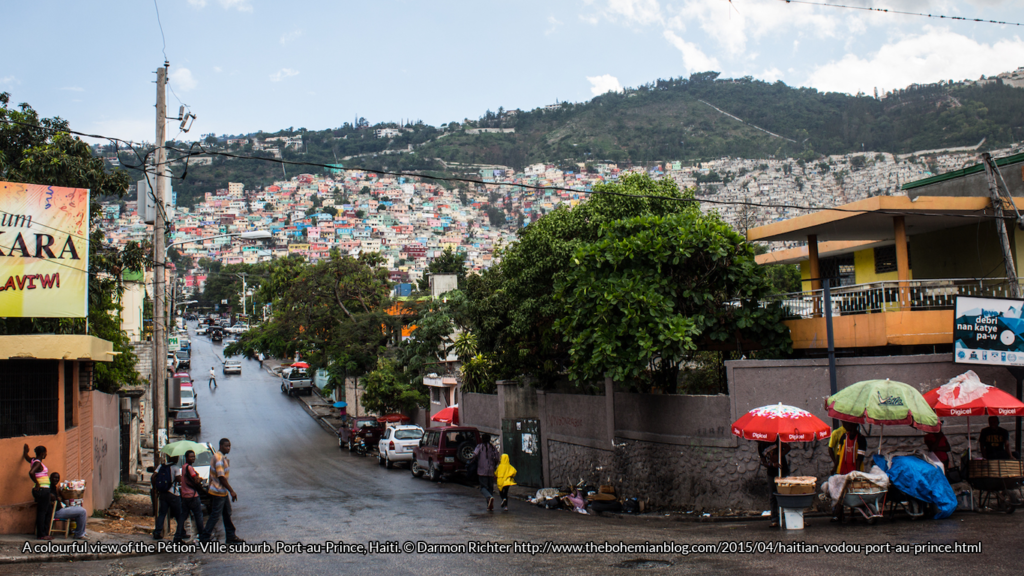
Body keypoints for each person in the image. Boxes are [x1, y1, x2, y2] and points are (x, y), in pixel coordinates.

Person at [199, 438, 244, 544]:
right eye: (226, 446)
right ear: (220, 446)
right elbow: (221, 477)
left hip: (221, 491)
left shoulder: (221, 457)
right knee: (215, 515)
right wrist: (231, 491)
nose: (228, 448)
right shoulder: (218, 458)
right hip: (218, 491)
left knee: (227, 513)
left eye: (229, 446)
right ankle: (205, 537)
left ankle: (230, 536)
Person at [23, 444, 53, 540]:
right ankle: (42, 535)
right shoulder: (38, 463)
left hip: (42, 490)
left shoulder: (33, 460)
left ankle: (43, 532)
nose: (46, 454)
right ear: (43, 453)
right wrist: (37, 483)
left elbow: (27, 457)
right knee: (42, 512)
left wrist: (25, 452)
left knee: (45, 511)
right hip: (42, 490)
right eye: (45, 453)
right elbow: (31, 472)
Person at [759, 441, 791, 528]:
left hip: (783, 471)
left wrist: (779, 456)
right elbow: (764, 462)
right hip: (771, 473)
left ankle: (790, 517)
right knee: (772, 496)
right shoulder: (761, 446)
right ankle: (774, 519)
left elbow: (788, 447)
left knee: (786, 494)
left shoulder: (776, 440)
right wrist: (772, 465)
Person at [153, 456, 185, 541]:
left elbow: (153, 476)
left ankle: (157, 532)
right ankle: (182, 532)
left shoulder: (161, 466)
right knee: (178, 514)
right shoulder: (175, 468)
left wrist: (156, 488)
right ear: (175, 459)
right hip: (173, 494)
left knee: (162, 513)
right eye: (177, 457)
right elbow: (179, 479)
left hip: (163, 494)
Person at [48, 473, 88, 540]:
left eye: (57, 478)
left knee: (79, 510)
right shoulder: (49, 488)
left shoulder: (54, 487)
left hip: (61, 509)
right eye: (55, 478)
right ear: (50, 478)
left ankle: (79, 532)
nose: (56, 479)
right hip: (57, 512)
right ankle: (79, 534)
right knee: (82, 511)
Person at [178, 450, 205, 543]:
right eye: (191, 457)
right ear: (186, 457)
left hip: (185, 496)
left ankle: (178, 535)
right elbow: (196, 480)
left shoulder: (184, 467)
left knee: (183, 516)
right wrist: (198, 476)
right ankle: (202, 536)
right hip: (193, 495)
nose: (193, 458)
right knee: (198, 516)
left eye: (194, 456)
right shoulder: (189, 468)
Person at [471, 433, 499, 511]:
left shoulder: (479, 447)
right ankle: (489, 504)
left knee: (483, 487)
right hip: (491, 471)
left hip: (482, 471)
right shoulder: (493, 447)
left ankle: (489, 498)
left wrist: (472, 462)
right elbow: (497, 458)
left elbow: (474, 455)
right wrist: (494, 465)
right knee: (490, 488)